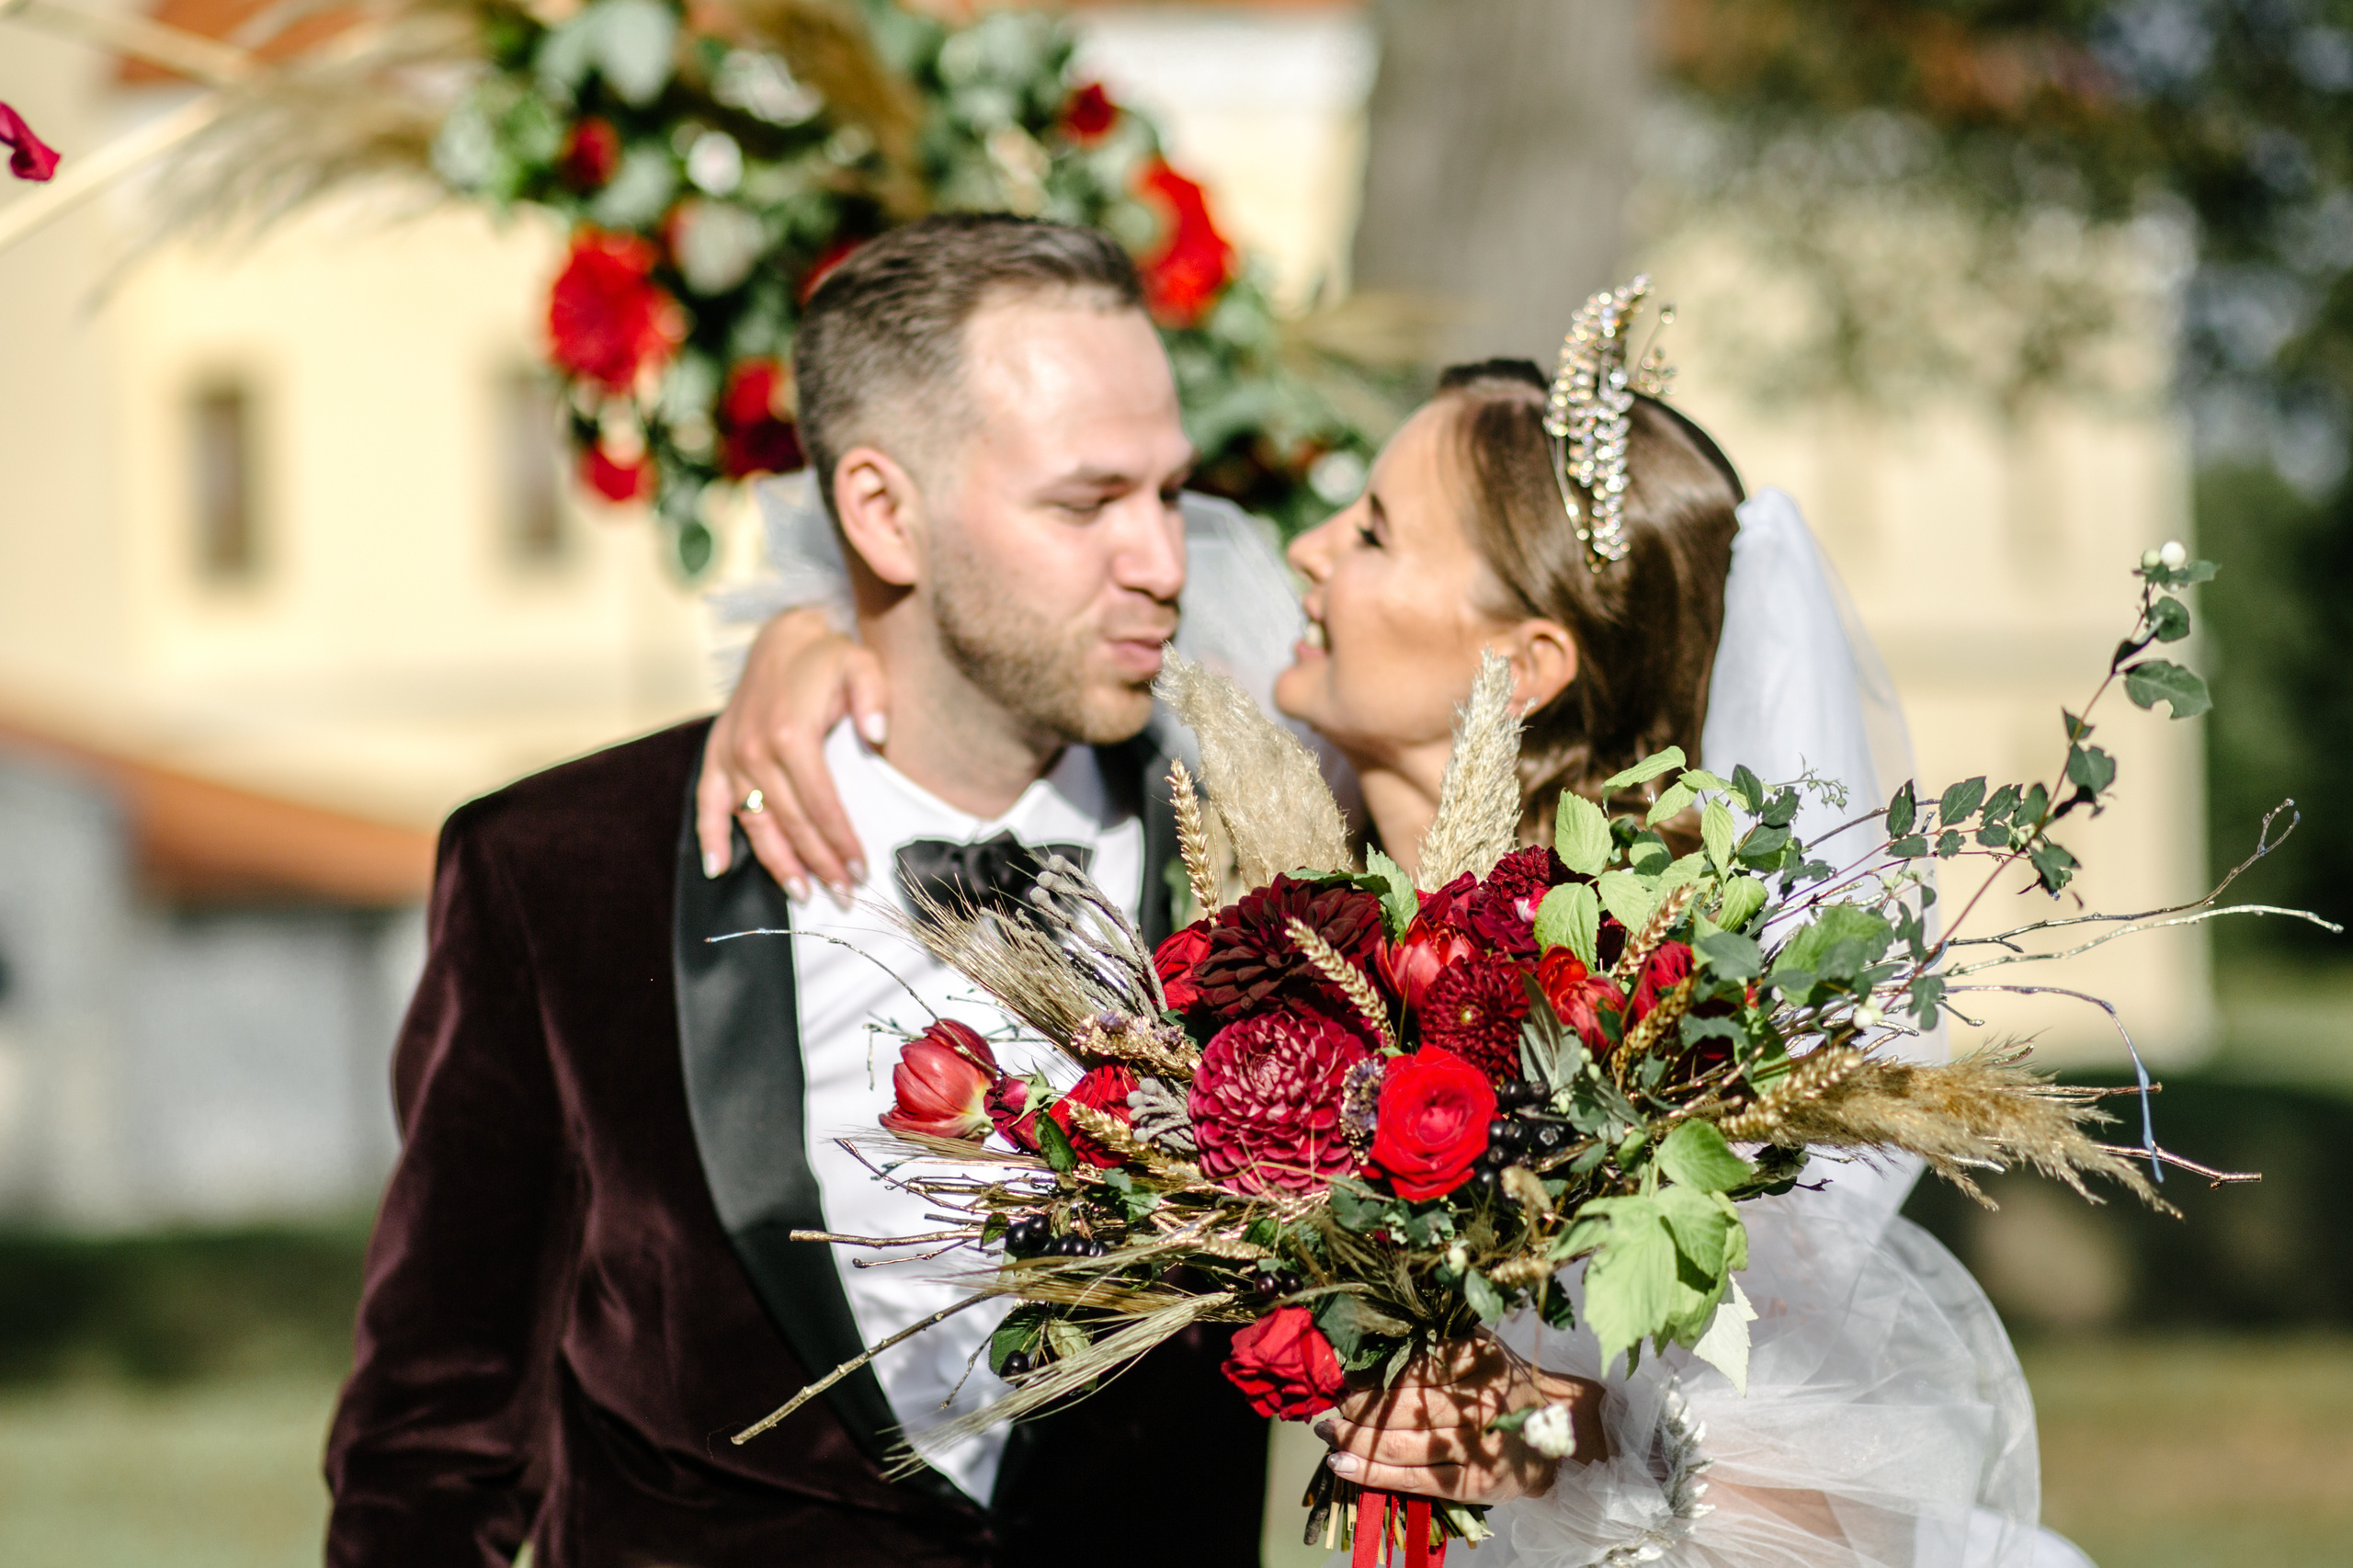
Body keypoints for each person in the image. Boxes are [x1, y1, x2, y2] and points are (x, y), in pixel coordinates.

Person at [699, 338, 2092, 1565]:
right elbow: (997, 617)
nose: (1305, 550)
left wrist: (1543, 1432)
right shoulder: (1277, 862)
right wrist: (812, 639)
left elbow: (1844, 1516)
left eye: (1371, 533)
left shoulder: (1670, 999)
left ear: (1521, 665)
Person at [324, 214, 1270, 1568]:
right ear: (883, 514)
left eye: (1171, 494)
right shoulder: (561, 874)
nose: (1164, 562)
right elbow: (433, 1443)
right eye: (1085, 504)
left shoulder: (1268, 879)